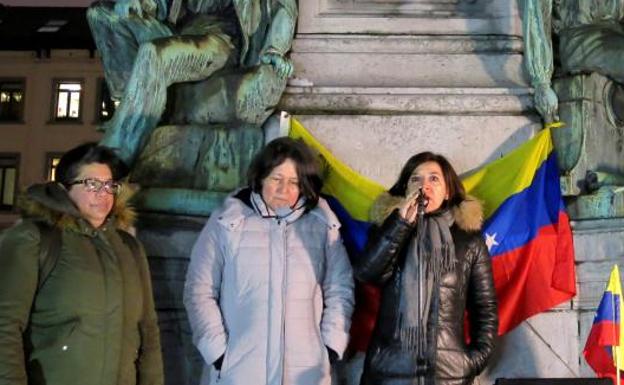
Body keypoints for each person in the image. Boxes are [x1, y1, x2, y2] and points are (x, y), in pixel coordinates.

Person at [184, 137, 354, 385]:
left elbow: (340, 290)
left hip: (305, 371)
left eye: (294, 182)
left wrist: (330, 347)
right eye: (276, 178)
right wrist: (219, 353)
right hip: (239, 371)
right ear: (261, 177)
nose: (284, 190)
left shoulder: (322, 225)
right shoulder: (228, 221)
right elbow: (199, 289)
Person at [0, 143, 163, 385]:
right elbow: (5, 326)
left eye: (109, 185)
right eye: (91, 184)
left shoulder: (129, 247)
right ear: (62, 189)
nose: (103, 193)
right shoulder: (33, 239)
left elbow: (148, 331)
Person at [87, 0, 297, 166]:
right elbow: (160, 4)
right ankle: (128, 105)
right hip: (177, 35)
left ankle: (117, 155)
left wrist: (274, 50)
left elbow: (284, 7)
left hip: (218, 42)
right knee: (101, 13)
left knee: (154, 53)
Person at [354, 152, 498, 385]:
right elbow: (366, 274)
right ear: (406, 190)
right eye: (415, 179)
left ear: (448, 191)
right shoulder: (388, 230)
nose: (424, 186)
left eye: (434, 179)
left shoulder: (469, 241)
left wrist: (473, 360)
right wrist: (400, 224)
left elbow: (485, 307)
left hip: (449, 375)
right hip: (388, 374)